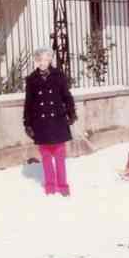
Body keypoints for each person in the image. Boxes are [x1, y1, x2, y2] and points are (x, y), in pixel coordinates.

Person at [23, 47, 77, 196]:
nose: (43, 63)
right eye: (40, 60)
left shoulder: (59, 76)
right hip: (40, 124)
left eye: (46, 59)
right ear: (36, 61)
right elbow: (28, 103)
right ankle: (50, 186)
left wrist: (71, 113)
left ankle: (63, 186)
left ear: (50, 60)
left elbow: (67, 96)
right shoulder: (31, 80)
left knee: (60, 157)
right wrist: (27, 123)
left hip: (58, 121)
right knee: (46, 157)